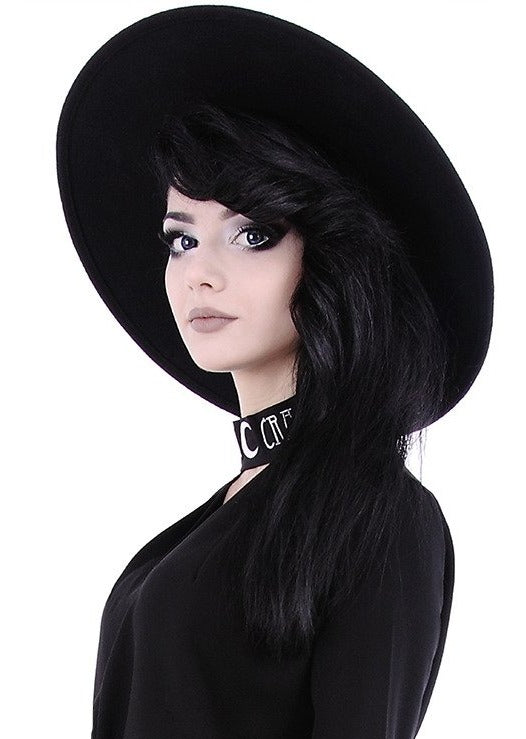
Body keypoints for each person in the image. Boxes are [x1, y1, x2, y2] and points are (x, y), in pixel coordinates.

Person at [56, 6, 494, 738]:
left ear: (329, 257)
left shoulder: (380, 517)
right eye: (181, 240)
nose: (200, 273)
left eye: (253, 234)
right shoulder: (230, 509)